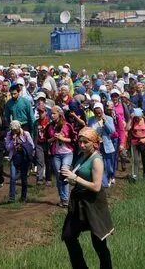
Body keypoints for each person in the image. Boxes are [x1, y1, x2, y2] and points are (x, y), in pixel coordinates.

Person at [61, 127, 114, 269]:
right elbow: (77, 177)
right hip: (79, 202)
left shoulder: (97, 160)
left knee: (99, 242)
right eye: (80, 142)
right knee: (68, 236)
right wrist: (69, 177)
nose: (82, 145)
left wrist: (75, 177)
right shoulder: (82, 155)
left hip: (93, 202)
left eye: (85, 142)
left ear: (94, 143)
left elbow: (96, 186)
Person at [48, 106, 75, 207]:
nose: (52, 115)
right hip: (56, 154)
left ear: (59, 113)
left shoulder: (67, 125)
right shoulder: (50, 126)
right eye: (51, 113)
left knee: (64, 172)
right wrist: (53, 139)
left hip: (67, 152)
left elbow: (74, 139)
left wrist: (63, 138)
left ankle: (66, 199)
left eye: (54, 113)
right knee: (59, 176)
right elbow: (46, 140)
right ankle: (62, 198)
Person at [87, 103, 117, 188]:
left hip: (106, 144)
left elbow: (112, 131)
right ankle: (104, 182)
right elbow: (89, 131)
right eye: (96, 113)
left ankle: (110, 175)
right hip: (96, 145)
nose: (98, 115)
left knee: (108, 165)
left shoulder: (109, 119)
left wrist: (105, 121)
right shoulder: (91, 120)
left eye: (99, 113)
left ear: (102, 111)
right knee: (99, 163)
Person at [5, 120, 34, 203]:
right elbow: (7, 147)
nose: (14, 132)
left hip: (24, 158)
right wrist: (12, 142)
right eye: (12, 130)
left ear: (19, 128)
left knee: (24, 178)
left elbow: (32, 145)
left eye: (15, 130)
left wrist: (22, 144)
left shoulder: (26, 134)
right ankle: (12, 198)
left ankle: (23, 197)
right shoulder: (9, 135)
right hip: (14, 158)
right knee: (13, 177)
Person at [127, 108, 145, 182]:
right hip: (134, 142)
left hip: (144, 142)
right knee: (135, 160)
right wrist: (130, 119)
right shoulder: (133, 121)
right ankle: (134, 176)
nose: (137, 118)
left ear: (141, 115)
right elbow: (127, 128)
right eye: (136, 117)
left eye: (139, 117)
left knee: (144, 160)